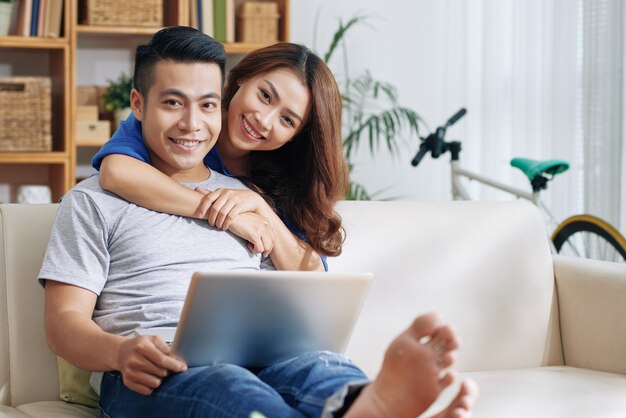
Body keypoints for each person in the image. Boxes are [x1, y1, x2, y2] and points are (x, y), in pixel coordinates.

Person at [40, 27, 477, 417]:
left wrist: (257, 208)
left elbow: (308, 289)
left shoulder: (253, 197)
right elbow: (63, 325)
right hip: (156, 368)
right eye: (173, 103)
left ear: (220, 102)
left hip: (260, 357)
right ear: (139, 104)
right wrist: (119, 352)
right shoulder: (96, 198)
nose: (191, 123)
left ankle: (364, 404)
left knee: (322, 369)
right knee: (229, 386)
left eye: (206, 105)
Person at [91, 40, 350, 273]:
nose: (264, 120)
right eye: (265, 96)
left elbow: (312, 276)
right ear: (242, 79)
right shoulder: (182, 123)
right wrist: (228, 216)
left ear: (296, 135)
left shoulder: (285, 178)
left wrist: (259, 207)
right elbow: (116, 172)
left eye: (287, 120)